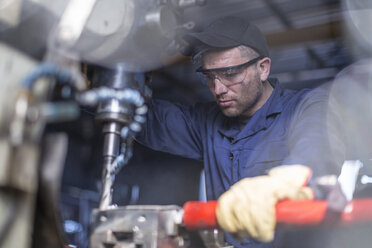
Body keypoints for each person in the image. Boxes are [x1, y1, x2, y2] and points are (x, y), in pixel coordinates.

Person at [136, 15, 345, 248]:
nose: (218, 89)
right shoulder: (206, 122)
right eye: (209, 76)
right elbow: (147, 119)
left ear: (263, 68)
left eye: (230, 74)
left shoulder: (306, 107)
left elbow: (315, 149)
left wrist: (284, 181)